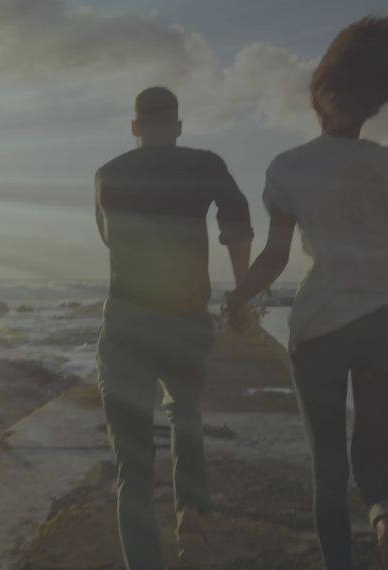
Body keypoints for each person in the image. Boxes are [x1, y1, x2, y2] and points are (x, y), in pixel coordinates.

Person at [225, 13, 388, 570]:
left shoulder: (288, 168)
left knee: (328, 471)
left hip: (320, 327)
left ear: (317, 100)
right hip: (386, 322)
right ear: (373, 105)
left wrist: (237, 297)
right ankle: (387, 524)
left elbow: (276, 257)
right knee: (374, 460)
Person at [95, 86, 253, 570]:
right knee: (186, 414)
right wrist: (241, 294)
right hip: (186, 316)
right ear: (179, 127)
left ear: (135, 127)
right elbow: (238, 223)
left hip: (127, 319)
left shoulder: (108, 173)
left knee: (133, 464)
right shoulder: (206, 164)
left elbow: (108, 238)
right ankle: (191, 514)